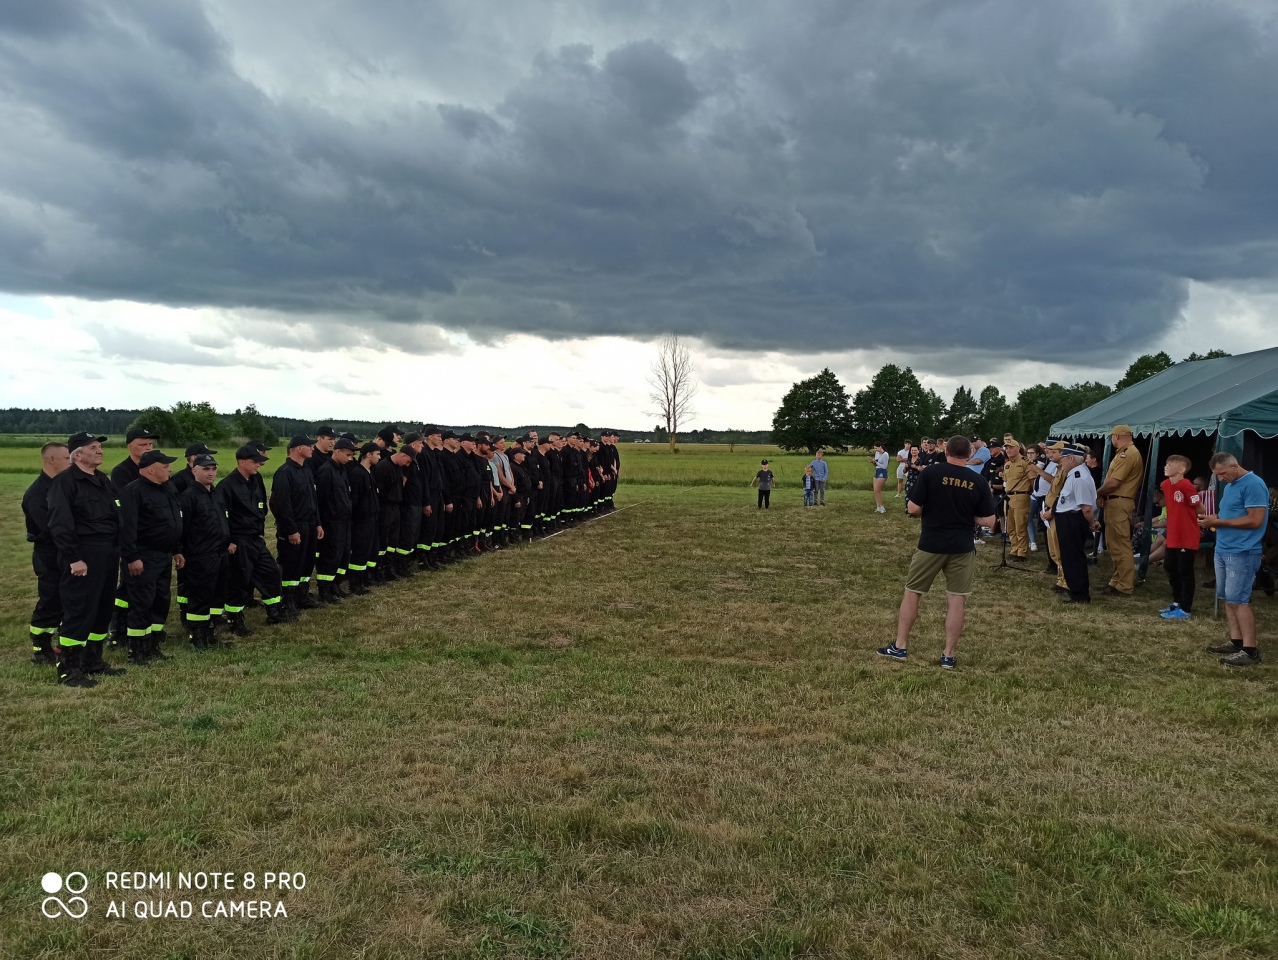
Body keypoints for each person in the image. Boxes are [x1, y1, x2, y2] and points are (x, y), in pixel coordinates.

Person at [877, 436, 996, 669]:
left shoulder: (931, 473)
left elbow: (913, 508)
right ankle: (948, 655)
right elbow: (989, 521)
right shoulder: (978, 480)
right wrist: (966, 515)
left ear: (946, 451)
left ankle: (900, 646)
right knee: (957, 600)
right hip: (962, 547)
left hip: (931, 544)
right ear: (969, 454)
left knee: (913, 593)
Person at [45, 433, 127, 687]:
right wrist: (74, 558)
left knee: (102, 609)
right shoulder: (65, 482)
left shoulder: (102, 480)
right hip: (84, 554)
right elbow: (60, 523)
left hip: (108, 553)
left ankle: (92, 660)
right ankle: (68, 669)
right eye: (93, 447)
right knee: (80, 609)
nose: (99, 450)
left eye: (100, 446)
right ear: (77, 455)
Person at [1200, 453, 1269, 666]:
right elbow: (1230, 516)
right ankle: (1236, 642)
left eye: (1222, 474)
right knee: (1227, 599)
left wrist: (1219, 522)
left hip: (1243, 551)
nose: (1221, 479)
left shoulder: (1253, 484)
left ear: (1235, 466)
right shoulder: (1231, 486)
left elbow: (1255, 520)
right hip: (1224, 548)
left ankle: (1250, 651)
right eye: (1217, 475)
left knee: (1238, 601)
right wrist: (1215, 520)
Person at [119, 450, 184, 664]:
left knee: (161, 600)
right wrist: (132, 557)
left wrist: (177, 549)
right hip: (144, 556)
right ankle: (137, 650)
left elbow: (174, 520)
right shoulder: (133, 492)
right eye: (165, 466)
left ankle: (152, 644)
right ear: (150, 470)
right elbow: (127, 528)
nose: (170, 470)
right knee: (141, 602)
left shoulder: (167, 488)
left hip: (164, 555)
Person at [218, 444, 291, 634]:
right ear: (241, 462)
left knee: (271, 572)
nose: (258, 464)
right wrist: (229, 540)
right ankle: (234, 619)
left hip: (255, 539)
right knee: (239, 580)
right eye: (254, 461)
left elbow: (261, 508)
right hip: (239, 540)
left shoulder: (255, 480)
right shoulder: (227, 485)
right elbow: (221, 517)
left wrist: (259, 531)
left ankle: (274, 612)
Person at [22, 441, 72, 665]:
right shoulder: (37, 493)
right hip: (49, 553)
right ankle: (40, 647)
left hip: (65, 551)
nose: (71, 462)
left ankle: (63, 640)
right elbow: (51, 528)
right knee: (51, 598)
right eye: (67, 458)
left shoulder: (62, 486)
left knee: (66, 597)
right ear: (51, 459)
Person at [179, 453, 234, 649]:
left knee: (217, 596)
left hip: (220, 554)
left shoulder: (216, 494)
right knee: (200, 597)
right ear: (194, 470)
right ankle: (197, 637)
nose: (211, 473)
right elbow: (183, 529)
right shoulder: (188, 497)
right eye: (206, 469)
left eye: (213, 469)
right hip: (201, 556)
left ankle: (210, 633)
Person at [271, 435, 324, 612]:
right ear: (299, 448)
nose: (312, 449)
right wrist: (291, 530)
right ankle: (288, 599)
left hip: (310, 524)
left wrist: (318, 523)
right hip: (295, 526)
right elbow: (282, 505)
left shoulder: (306, 470)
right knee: (292, 563)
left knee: (307, 562)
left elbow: (313, 500)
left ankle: (302, 595)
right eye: (309, 446)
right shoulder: (284, 472)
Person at [1043, 445, 1100, 604]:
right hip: (1067, 519)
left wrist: (1091, 523)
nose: (1061, 462)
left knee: (1073, 557)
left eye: (1063, 459)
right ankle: (1075, 590)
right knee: (1069, 557)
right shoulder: (1074, 474)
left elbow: (1086, 507)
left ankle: (1080, 594)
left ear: (1072, 459)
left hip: (1072, 520)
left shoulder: (1079, 477)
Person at [1096, 424, 1144, 597]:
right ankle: (1117, 580)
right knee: (1114, 544)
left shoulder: (1128, 454)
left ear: (1117, 436)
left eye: (1112, 436)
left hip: (1120, 502)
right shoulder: (1124, 453)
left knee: (1121, 544)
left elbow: (1114, 482)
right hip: (1115, 501)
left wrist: (1098, 493)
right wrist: (1104, 495)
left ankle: (1124, 585)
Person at [1158, 455, 1203, 620]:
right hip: (1173, 534)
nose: (1166, 466)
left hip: (1186, 534)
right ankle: (1177, 601)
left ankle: (1185, 608)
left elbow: (1200, 508)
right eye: (1166, 463)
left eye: (1171, 464)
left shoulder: (1186, 485)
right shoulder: (1165, 484)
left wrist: (1190, 520)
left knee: (1185, 571)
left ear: (1182, 469)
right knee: (1170, 567)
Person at [315, 437, 356, 603]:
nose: (350, 459)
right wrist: (321, 522)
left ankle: (335, 584)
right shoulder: (326, 471)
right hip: (332, 522)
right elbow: (321, 499)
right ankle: (324, 589)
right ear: (337, 452)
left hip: (345, 521)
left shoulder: (341, 469)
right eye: (348, 455)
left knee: (344, 554)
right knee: (330, 556)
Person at [347, 442, 381, 591]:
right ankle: (355, 582)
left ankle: (367, 577)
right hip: (362, 520)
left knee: (372, 549)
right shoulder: (357, 474)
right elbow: (355, 500)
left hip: (372, 518)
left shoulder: (369, 472)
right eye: (377, 454)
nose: (379, 457)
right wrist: (358, 519)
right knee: (360, 550)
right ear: (368, 455)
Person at [1000, 440, 1033, 560]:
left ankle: (1022, 552)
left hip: (1021, 496)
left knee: (1020, 525)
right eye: (1006, 448)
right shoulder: (1007, 464)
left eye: (1011, 447)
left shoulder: (1025, 462)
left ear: (1018, 448)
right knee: (1011, 526)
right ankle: (1014, 549)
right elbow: (1006, 480)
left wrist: (1029, 493)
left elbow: (1032, 481)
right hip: (1008, 497)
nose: (1008, 450)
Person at [871, 443, 889, 513]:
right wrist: (873, 462)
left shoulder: (885, 454)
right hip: (877, 471)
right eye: (874, 448)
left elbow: (884, 466)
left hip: (882, 472)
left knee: (877, 490)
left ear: (880, 447)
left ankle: (882, 507)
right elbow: (877, 463)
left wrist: (876, 462)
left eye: (876, 448)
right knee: (875, 490)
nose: (875, 449)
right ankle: (878, 506)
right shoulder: (877, 453)